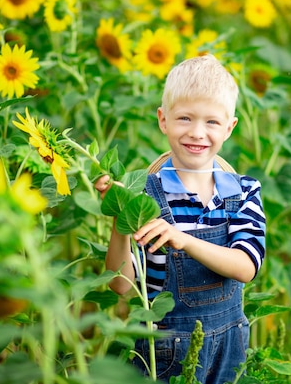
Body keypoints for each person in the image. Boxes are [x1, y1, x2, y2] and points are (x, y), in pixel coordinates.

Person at [94, 54, 266, 384]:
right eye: (185, 118)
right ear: (163, 120)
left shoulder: (244, 191)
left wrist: (184, 239)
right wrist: (121, 218)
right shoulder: (145, 195)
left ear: (229, 127)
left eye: (212, 122)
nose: (197, 133)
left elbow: (246, 267)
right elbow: (120, 285)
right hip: (164, 353)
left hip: (227, 350)